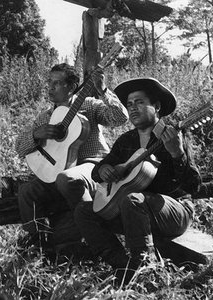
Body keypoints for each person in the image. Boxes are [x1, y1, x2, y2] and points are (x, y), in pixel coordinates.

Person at [74, 77, 201, 283]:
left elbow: (192, 186)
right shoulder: (126, 140)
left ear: (157, 106)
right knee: (84, 211)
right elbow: (98, 170)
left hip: (175, 210)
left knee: (132, 200)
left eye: (140, 102)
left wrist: (178, 154)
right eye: (130, 104)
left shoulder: (174, 135)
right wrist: (104, 169)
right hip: (132, 210)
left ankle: (143, 266)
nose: (133, 108)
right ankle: (121, 265)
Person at [15, 63, 128, 254]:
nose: (50, 87)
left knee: (67, 178)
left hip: (91, 167)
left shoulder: (89, 105)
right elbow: (19, 148)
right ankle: (39, 244)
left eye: (57, 83)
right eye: (49, 82)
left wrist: (103, 90)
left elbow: (120, 118)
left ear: (72, 85)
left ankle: (100, 241)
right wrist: (36, 134)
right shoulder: (46, 117)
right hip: (58, 172)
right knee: (27, 191)